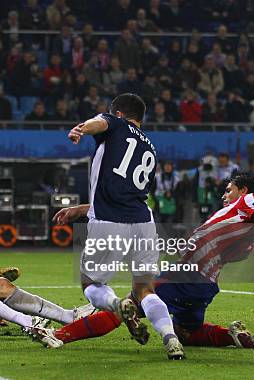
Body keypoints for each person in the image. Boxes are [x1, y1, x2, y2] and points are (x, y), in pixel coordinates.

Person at [41, 173, 254, 349]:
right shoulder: (248, 229)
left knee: (127, 305)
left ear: (243, 189)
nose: (224, 196)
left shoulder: (249, 201)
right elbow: (239, 253)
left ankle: (61, 335)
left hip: (188, 276)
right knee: (187, 331)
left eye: (228, 190)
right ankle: (230, 336)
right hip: (205, 285)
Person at [56, 93, 185, 359]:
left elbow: (99, 123)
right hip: (143, 222)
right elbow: (127, 192)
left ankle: (118, 304)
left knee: (91, 284)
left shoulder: (115, 123)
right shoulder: (150, 147)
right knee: (145, 288)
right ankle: (170, 338)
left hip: (109, 222)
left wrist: (81, 129)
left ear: (119, 113)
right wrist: (81, 209)